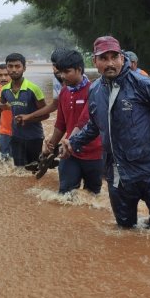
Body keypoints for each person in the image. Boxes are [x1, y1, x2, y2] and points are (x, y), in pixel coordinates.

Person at [62, 36, 150, 229]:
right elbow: (96, 125)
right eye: (104, 58)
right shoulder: (95, 90)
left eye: (114, 57)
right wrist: (74, 142)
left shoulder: (143, 84)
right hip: (117, 171)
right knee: (124, 228)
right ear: (95, 61)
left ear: (122, 58)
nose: (110, 63)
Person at [43, 50, 103, 194]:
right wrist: (50, 147)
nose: (62, 76)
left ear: (79, 70)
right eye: (60, 72)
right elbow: (60, 124)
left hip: (95, 154)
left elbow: (84, 121)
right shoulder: (64, 92)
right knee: (65, 194)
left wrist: (67, 142)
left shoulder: (95, 90)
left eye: (66, 72)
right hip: (70, 154)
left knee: (92, 195)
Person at [0, 53, 49, 167]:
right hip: (16, 136)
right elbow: (0, 106)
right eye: (10, 66)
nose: (13, 70)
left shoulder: (33, 89)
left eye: (17, 66)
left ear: (24, 68)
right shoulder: (4, 90)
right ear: (7, 68)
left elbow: (46, 114)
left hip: (34, 137)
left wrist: (28, 119)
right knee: (19, 170)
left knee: (34, 170)